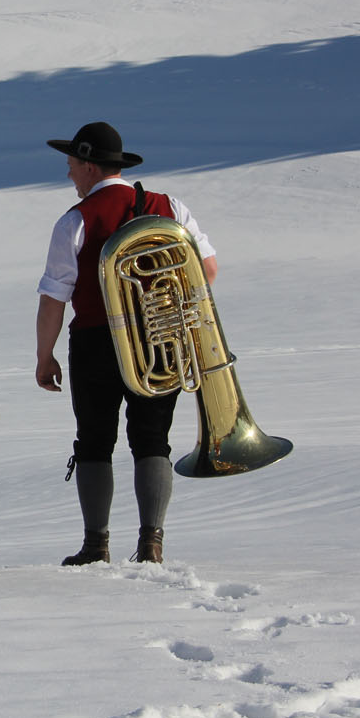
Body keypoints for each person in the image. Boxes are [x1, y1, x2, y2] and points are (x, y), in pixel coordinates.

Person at [34, 122, 217, 565]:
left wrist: (45, 356)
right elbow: (207, 269)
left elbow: (55, 297)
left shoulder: (74, 220)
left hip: (97, 342)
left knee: (94, 441)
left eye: (72, 165)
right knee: (152, 439)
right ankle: (151, 541)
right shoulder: (168, 206)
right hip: (160, 339)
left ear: (90, 165)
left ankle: (96, 545)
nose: (69, 174)